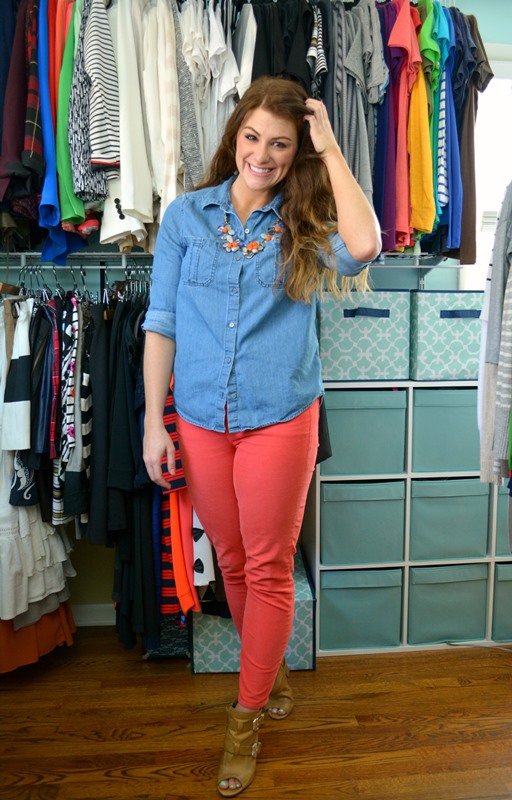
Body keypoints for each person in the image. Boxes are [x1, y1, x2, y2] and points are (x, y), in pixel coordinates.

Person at [142, 75, 381, 798]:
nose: (263, 155)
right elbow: (162, 323)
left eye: (280, 144)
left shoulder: (304, 219)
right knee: (237, 561)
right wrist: (155, 420)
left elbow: (365, 246)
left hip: (280, 414)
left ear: (294, 150)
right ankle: (267, 666)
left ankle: (244, 721)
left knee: (270, 566)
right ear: (234, 136)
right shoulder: (186, 217)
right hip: (203, 418)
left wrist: (330, 147)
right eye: (253, 138)